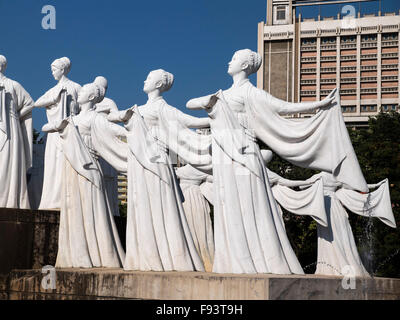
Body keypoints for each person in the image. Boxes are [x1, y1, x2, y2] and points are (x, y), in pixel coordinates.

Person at [186, 49, 367, 274]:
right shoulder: (222, 94)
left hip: (244, 156)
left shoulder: (251, 93)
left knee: (250, 203)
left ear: (244, 66)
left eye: (233, 59)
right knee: (228, 205)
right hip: (224, 158)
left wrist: (318, 105)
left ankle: (259, 259)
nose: (228, 62)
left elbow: (284, 107)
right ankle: (234, 259)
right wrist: (210, 101)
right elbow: (190, 103)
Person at [108, 69, 210, 272]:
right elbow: (112, 118)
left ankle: (168, 256)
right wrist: (121, 114)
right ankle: (143, 256)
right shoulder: (137, 109)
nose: (145, 80)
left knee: (160, 204)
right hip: (138, 162)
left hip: (156, 161)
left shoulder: (163, 109)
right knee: (141, 204)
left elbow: (191, 122)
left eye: (149, 78)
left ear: (157, 84)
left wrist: (216, 117)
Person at [42, 82, 127, 268]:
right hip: (72, 168)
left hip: (88, 168)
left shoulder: (96, 119)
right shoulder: (73, 119)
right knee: (73, 209)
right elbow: (46, 128)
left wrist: (134, 130)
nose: (79, 93)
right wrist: (61, 124)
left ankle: (98, 254)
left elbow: (118, 131)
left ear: (90, 97)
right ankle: (76, 254)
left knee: (91, 210)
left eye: (83, 91)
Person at [303, 172, 396, 276]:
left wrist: (316, 186)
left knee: (336, 234)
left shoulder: (322, 176)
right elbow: (356, 187)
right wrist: (375, 185)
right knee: (340, 234)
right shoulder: (334, 177)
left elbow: (303, 186)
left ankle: (335, 265)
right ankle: (340, 264)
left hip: (326, 206)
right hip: (332, 206)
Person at [34, 57, 81, 210]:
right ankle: (52, 200)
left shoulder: (76, 87)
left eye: (54, 69)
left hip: (71, 131)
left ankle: (68, 200)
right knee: (53, 165)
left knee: (67, 163)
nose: (52, 72)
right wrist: (54, 98)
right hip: (54, 133)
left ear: (63, 70)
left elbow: (84, 106)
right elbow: (37, 102)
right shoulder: (53, 90)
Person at [0, 55, 34, 209]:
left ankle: (9, 199)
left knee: (8, 162)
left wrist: (15, 116)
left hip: (11, 130)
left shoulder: (13, 85)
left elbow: (29, 103)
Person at [176, 164, 214, 272]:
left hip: (192, 197)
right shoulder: (202, 169)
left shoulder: (194, 169)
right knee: (189, 226)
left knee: (198, 227)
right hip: (186, 196)